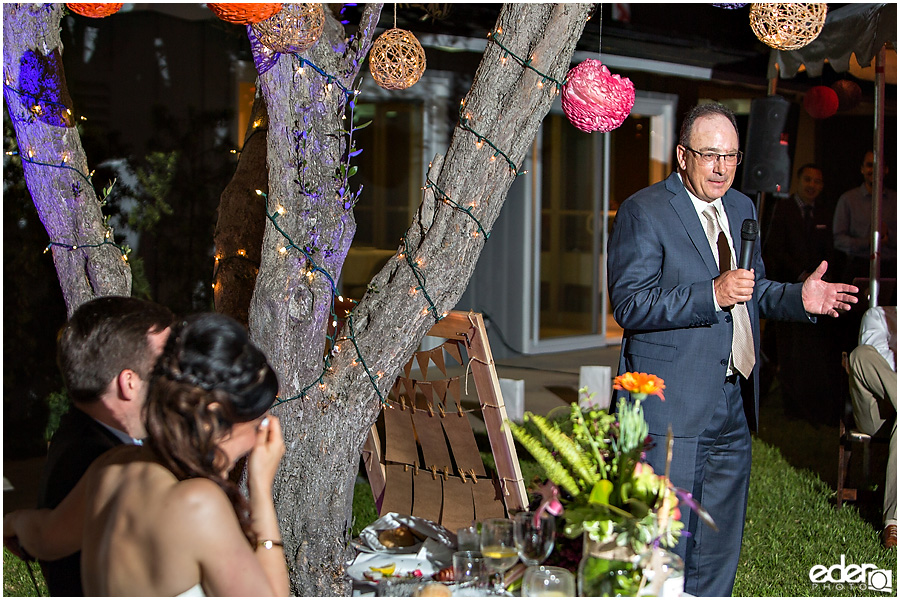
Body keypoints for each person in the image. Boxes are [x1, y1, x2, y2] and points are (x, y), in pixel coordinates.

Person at [608, 103, 858, 597]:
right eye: (710, 155)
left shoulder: (742, 208)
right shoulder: (646, 209)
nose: (721, 167)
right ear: (683, 156)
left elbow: (752, 289)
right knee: (662, 538)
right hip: (671, 401)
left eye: (731, 156)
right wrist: (711, 294)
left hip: (733, 398)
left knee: (719, 539)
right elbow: (630, 305)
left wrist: (798, 297)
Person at [4, 313, 289, 596]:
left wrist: (13, 522)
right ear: (212, 419)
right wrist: (261, 488)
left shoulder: (109, 468)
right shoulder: (198, 504)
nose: (258, 439)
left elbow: (43, 536)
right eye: (258, 424)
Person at [37, 295, 173, 596]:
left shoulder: (85, 439)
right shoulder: (98, 461)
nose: (178, 375)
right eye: (166, 364)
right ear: (129, 383)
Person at [762, 164, 841, 424]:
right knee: (786, 351)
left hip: (817, 293)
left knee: (810, 353)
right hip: (787, 290)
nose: (812, 185)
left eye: (817, 182)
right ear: (798, 181)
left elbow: (830, 249)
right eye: (808, 179)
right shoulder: (783, 209)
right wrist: (800, 276)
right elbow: (775, 250)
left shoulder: (823, 212)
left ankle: (811, 405)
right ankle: (789, 407)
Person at [848, 305, 897, 549]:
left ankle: (894, 523)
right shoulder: (878, 316)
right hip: (878, 411)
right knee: (861, 354)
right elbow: (879, 368)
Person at [833, 151, 897, 283]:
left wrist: (888, 235)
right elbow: (838, 240)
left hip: (892, 268)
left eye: (879, 165)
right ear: (862, 169)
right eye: (869, 165)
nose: (874, 170)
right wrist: (868, 242)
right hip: (859, 267)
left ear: (886, 170)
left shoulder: (896, 200)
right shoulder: (848, 199)